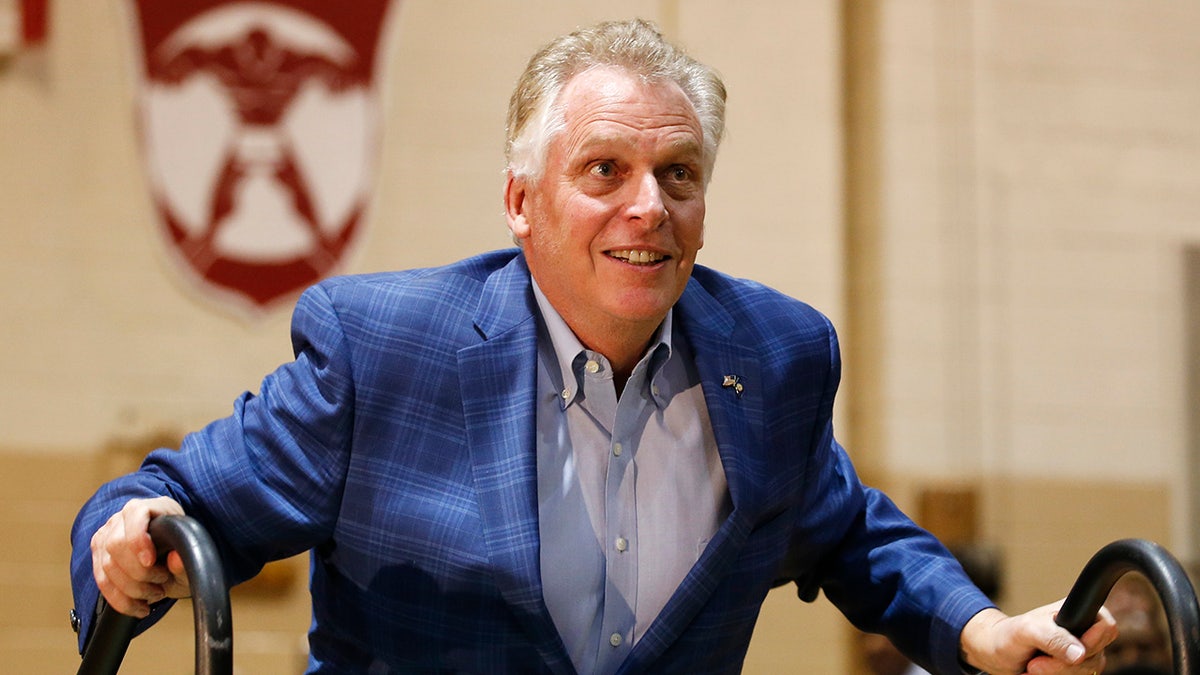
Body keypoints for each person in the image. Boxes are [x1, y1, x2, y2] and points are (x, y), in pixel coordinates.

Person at [70, 18, 1116, 674]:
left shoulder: (779, 355)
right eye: (604, 171)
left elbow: (850, 534)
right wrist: (124, 540)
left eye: (679, 175)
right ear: (522, 202)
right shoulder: (383, 351)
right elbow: (168, 504)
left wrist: (976, 631)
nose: (647, 208)